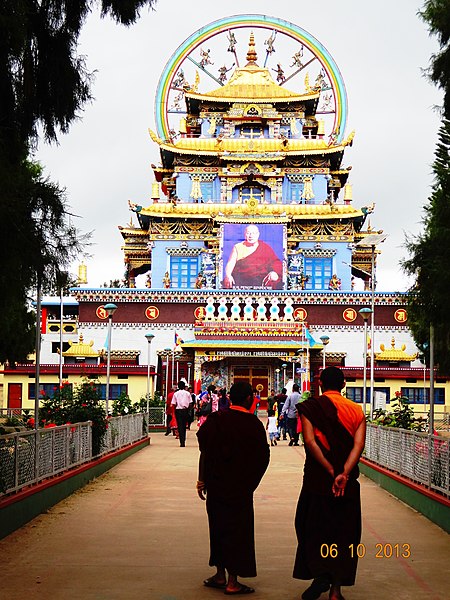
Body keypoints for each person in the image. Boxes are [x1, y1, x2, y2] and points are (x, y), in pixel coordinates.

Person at [293, 367, 366, 600]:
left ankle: (319, 573)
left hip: (318, 478)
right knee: (344, 532)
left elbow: (311, 442)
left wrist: (330, 470)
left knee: (311, 526)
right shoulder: (356, 410)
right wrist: (343, 473)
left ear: (320, 384)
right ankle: (335, 590)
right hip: (347, 482)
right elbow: (358, 446)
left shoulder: (310, 408)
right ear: (343, 385)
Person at [197, 381, 270, 595]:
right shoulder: (253, 424)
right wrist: (251, 483)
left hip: (216, 485)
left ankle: (220, 574)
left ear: (229, 398)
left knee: (218, 527)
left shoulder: (215, 420)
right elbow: (263, 458)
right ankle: (232, 581)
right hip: (240, 488)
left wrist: (202, 479)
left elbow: (205, 451)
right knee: (238, 532)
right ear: (249, 399)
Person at [223, 225, 282, 289]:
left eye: (253, 233)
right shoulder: (238, 247)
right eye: (248, 233)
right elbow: (231, 262)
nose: (251, 236)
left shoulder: (265, 248)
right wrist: (228, 275)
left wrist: (274, 272)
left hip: (261, 283)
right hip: (240, 282)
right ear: (245, 234)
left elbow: (276, 263)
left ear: (258, 234)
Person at [171, 380, 192, 447]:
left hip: (178, 410)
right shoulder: (188, 393)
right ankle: (184, 439)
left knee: (180, 426)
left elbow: (173, 403)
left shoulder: (176, 394)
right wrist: (188, 410)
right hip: (185, 410)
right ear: (184, 386)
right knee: (184, 425)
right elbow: (190, 403)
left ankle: (181, 441)